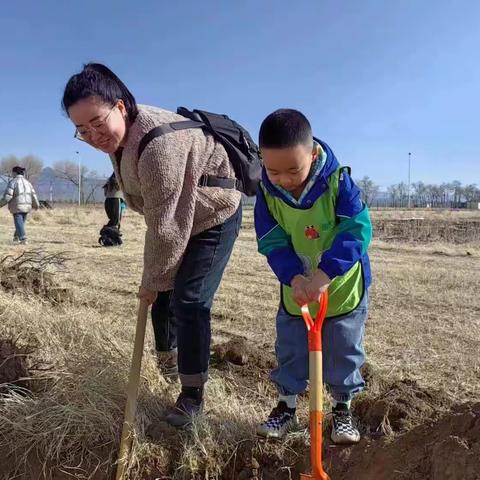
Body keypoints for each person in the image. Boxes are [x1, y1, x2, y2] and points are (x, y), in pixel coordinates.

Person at [62, 63, 242, 427]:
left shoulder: (159, 147)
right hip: (180, 213)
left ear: (121, 108)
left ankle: (191, 396)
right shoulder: (122, 140)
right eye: (82, 131)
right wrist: (155, 282)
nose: (93, 136)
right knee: (161, 293)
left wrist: (150, 280)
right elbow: (162, 222)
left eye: (97, 123)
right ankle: (169, 363)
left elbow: (166, 228)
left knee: (189, 300)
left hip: (213, 215)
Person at [254, 109, 372, 444]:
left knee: (343, 349)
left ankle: (342, 410)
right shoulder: (266, 192)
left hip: (341, 287)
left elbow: (356, 231)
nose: (285, 179)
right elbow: (272, 241)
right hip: (298, 290)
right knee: (291, 347)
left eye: (294, 169)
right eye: (273, 170)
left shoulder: (339, 183)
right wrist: (294, 278)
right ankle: (287, 408)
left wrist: (324, 275)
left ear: (313, 154)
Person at [0, 166, 40, 244]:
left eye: (12, 172)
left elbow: (8, 195)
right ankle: (16, 237)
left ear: (15, 172)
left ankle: (23, 239)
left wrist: (1, 204)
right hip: (27, 206)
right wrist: (36, 205)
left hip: (17, 205)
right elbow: (33, 195)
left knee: (19, 222)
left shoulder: (13, 182)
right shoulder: (28, 183)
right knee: (20, 223)